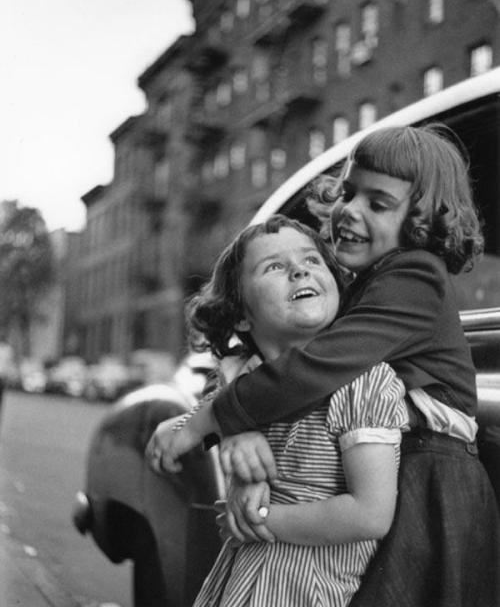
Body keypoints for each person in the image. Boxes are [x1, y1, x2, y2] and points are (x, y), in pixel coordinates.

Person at [148, 125, 500, 606]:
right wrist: (239, 427)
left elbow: (315, 366)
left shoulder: (415, 276)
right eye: (349, 192)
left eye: (378, 203)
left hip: (434, 484)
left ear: (421, 222)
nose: (350, 210)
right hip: (394, 473)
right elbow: (267, 365)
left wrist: (211, 419)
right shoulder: (361, 286)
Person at [153, 214, 409, 606]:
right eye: (274, 266)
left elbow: (370, 513)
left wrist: (261, 518)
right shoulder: (243, 387)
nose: (298, 271)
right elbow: (193, 437)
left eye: (312, 260)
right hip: (236, 587)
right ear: (240, 314)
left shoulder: (362, 383)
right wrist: (218, 433)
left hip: (306, 592)